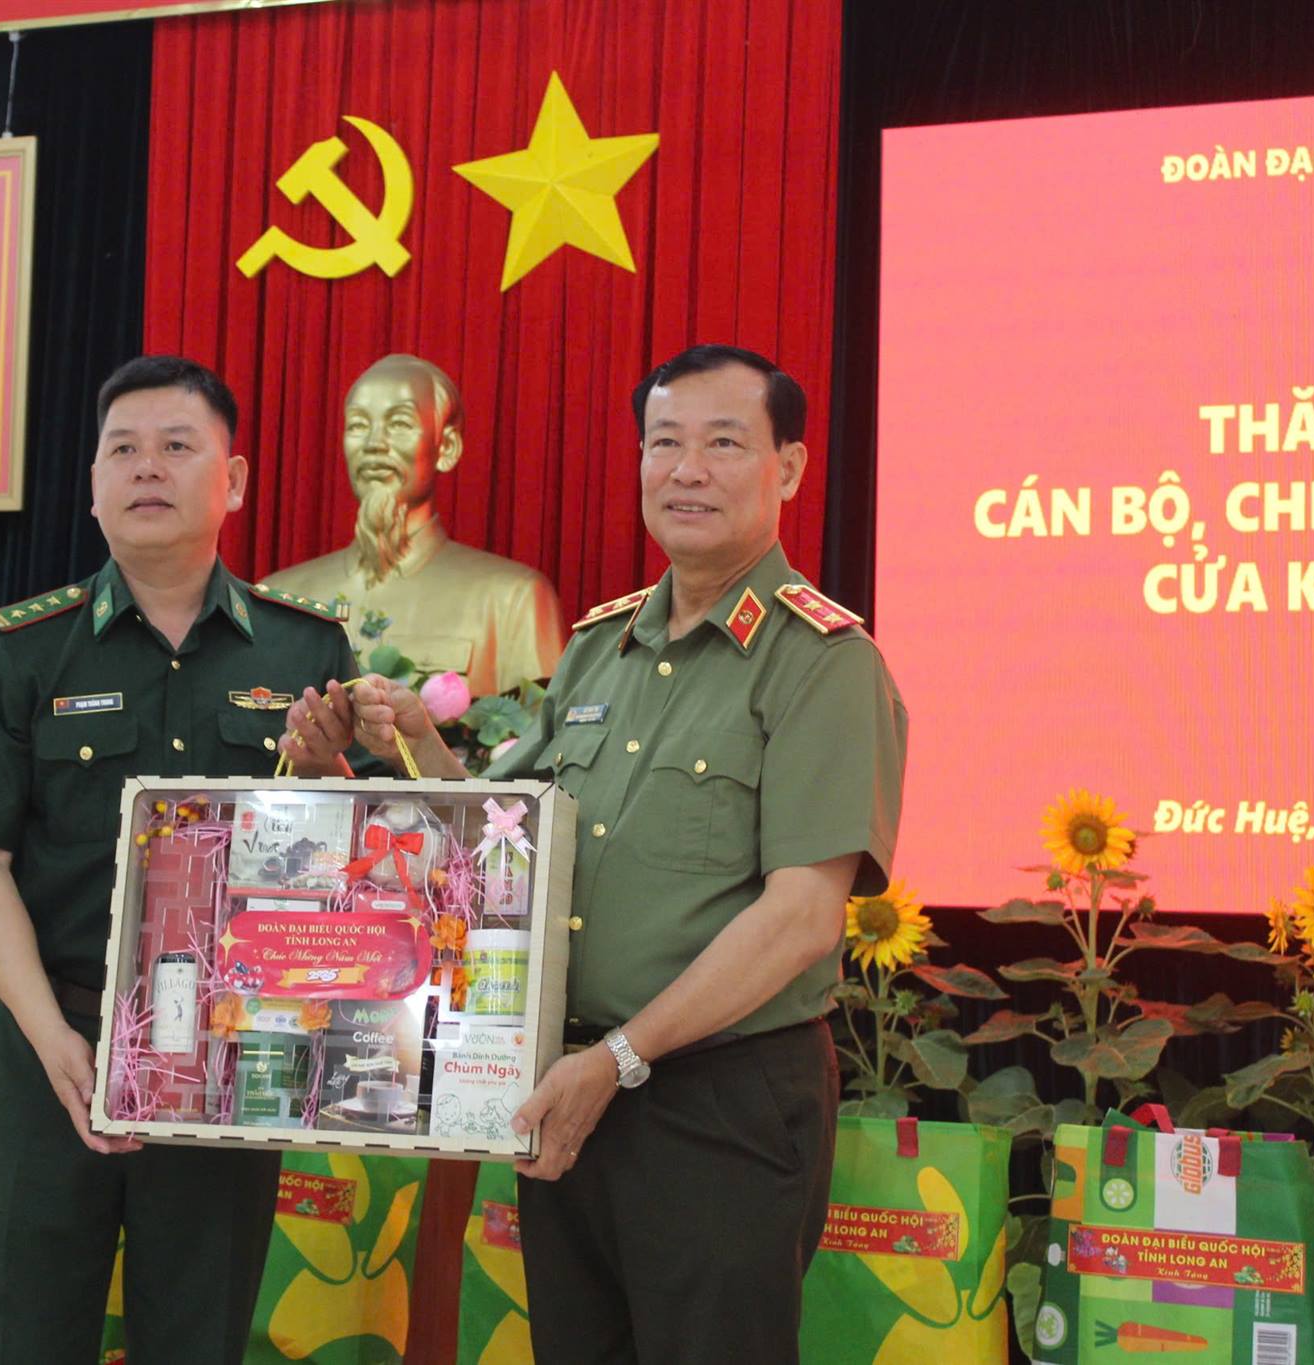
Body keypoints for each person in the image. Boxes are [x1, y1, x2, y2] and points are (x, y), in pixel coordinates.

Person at [347, 345, 909, 1361]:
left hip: (718, 1101)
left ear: (786, 467)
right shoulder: (598, 647)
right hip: (574, 1089)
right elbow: (504, 841)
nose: (686, 470)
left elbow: (800, 918)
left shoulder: (822, 662)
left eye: (723, 444)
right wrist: (413, 744)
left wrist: (621, 1058)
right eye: (664, 444)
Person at [0, 355, 359, 1363]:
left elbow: (356, 868)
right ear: (92, 485)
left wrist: (328, 775)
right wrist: (51, 1038)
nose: (147, 468)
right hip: (53, 1041)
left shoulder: (303, 652)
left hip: (229, 1057)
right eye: (122, 449)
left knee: (196, 1340)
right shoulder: (20, 649)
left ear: (234, 480)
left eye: (176, 446)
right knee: (21, 1337)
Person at [261, 353, 566, 695]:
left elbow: (540, 725)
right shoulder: (280, 600)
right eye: (358, 425)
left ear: (446, 447)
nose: (374, 444)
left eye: (400, 424)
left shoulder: (513, 600)